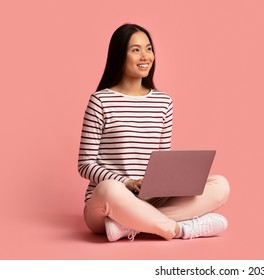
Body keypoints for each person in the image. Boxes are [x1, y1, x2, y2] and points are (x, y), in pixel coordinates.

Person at [78, 23, 230, 242]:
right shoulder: (100, 101)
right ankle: (180, 229)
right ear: (119, 55)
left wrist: (171, 183)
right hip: (109, 204)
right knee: (109, 189)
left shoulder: (163, 102)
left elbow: (162, 160)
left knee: (220, 185)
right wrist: (127, 183)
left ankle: (127, 226)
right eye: (136, 50)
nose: (145, 56)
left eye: (149, 49)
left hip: (150, 199)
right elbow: (85, 165)